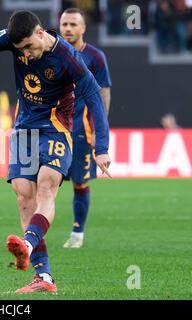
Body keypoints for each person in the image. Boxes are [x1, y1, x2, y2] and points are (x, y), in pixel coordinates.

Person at [0, 10, 111, 293]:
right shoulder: (13, 39)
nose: (27, 55)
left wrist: (101, 147)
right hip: (24, 130)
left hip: (56, 130)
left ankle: (27, 244)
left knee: (45, 187)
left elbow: (93, 95)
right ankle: (44, 278)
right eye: (21, 50)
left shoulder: (68, 58)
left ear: (41, 33)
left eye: (30, 47)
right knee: (23, 198)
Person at [59, 8, 112, 249]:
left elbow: (103, 94)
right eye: (64, 24)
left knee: (79, 182)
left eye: (73, 24)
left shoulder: (95, 57)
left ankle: (77, 232)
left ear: (83, 28)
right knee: (44, 181)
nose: (68, 28)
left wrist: (100, 132)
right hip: (54, 128)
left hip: (81, 131)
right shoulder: (52, 51)